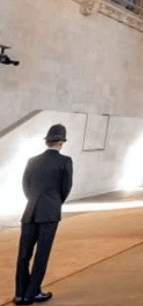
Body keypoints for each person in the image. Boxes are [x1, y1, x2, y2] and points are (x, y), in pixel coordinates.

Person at [14, 124, 73, 305]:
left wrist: (34, 200)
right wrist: (54, 203)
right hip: (50, 213)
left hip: (29, 211)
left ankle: (20, 294)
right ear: (61, 142)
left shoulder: (32, 160)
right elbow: (66, 188)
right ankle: (33, 294)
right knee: (42, 254)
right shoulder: (65, 161)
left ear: (47, 141)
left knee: (24, 254)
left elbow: (25, 185)